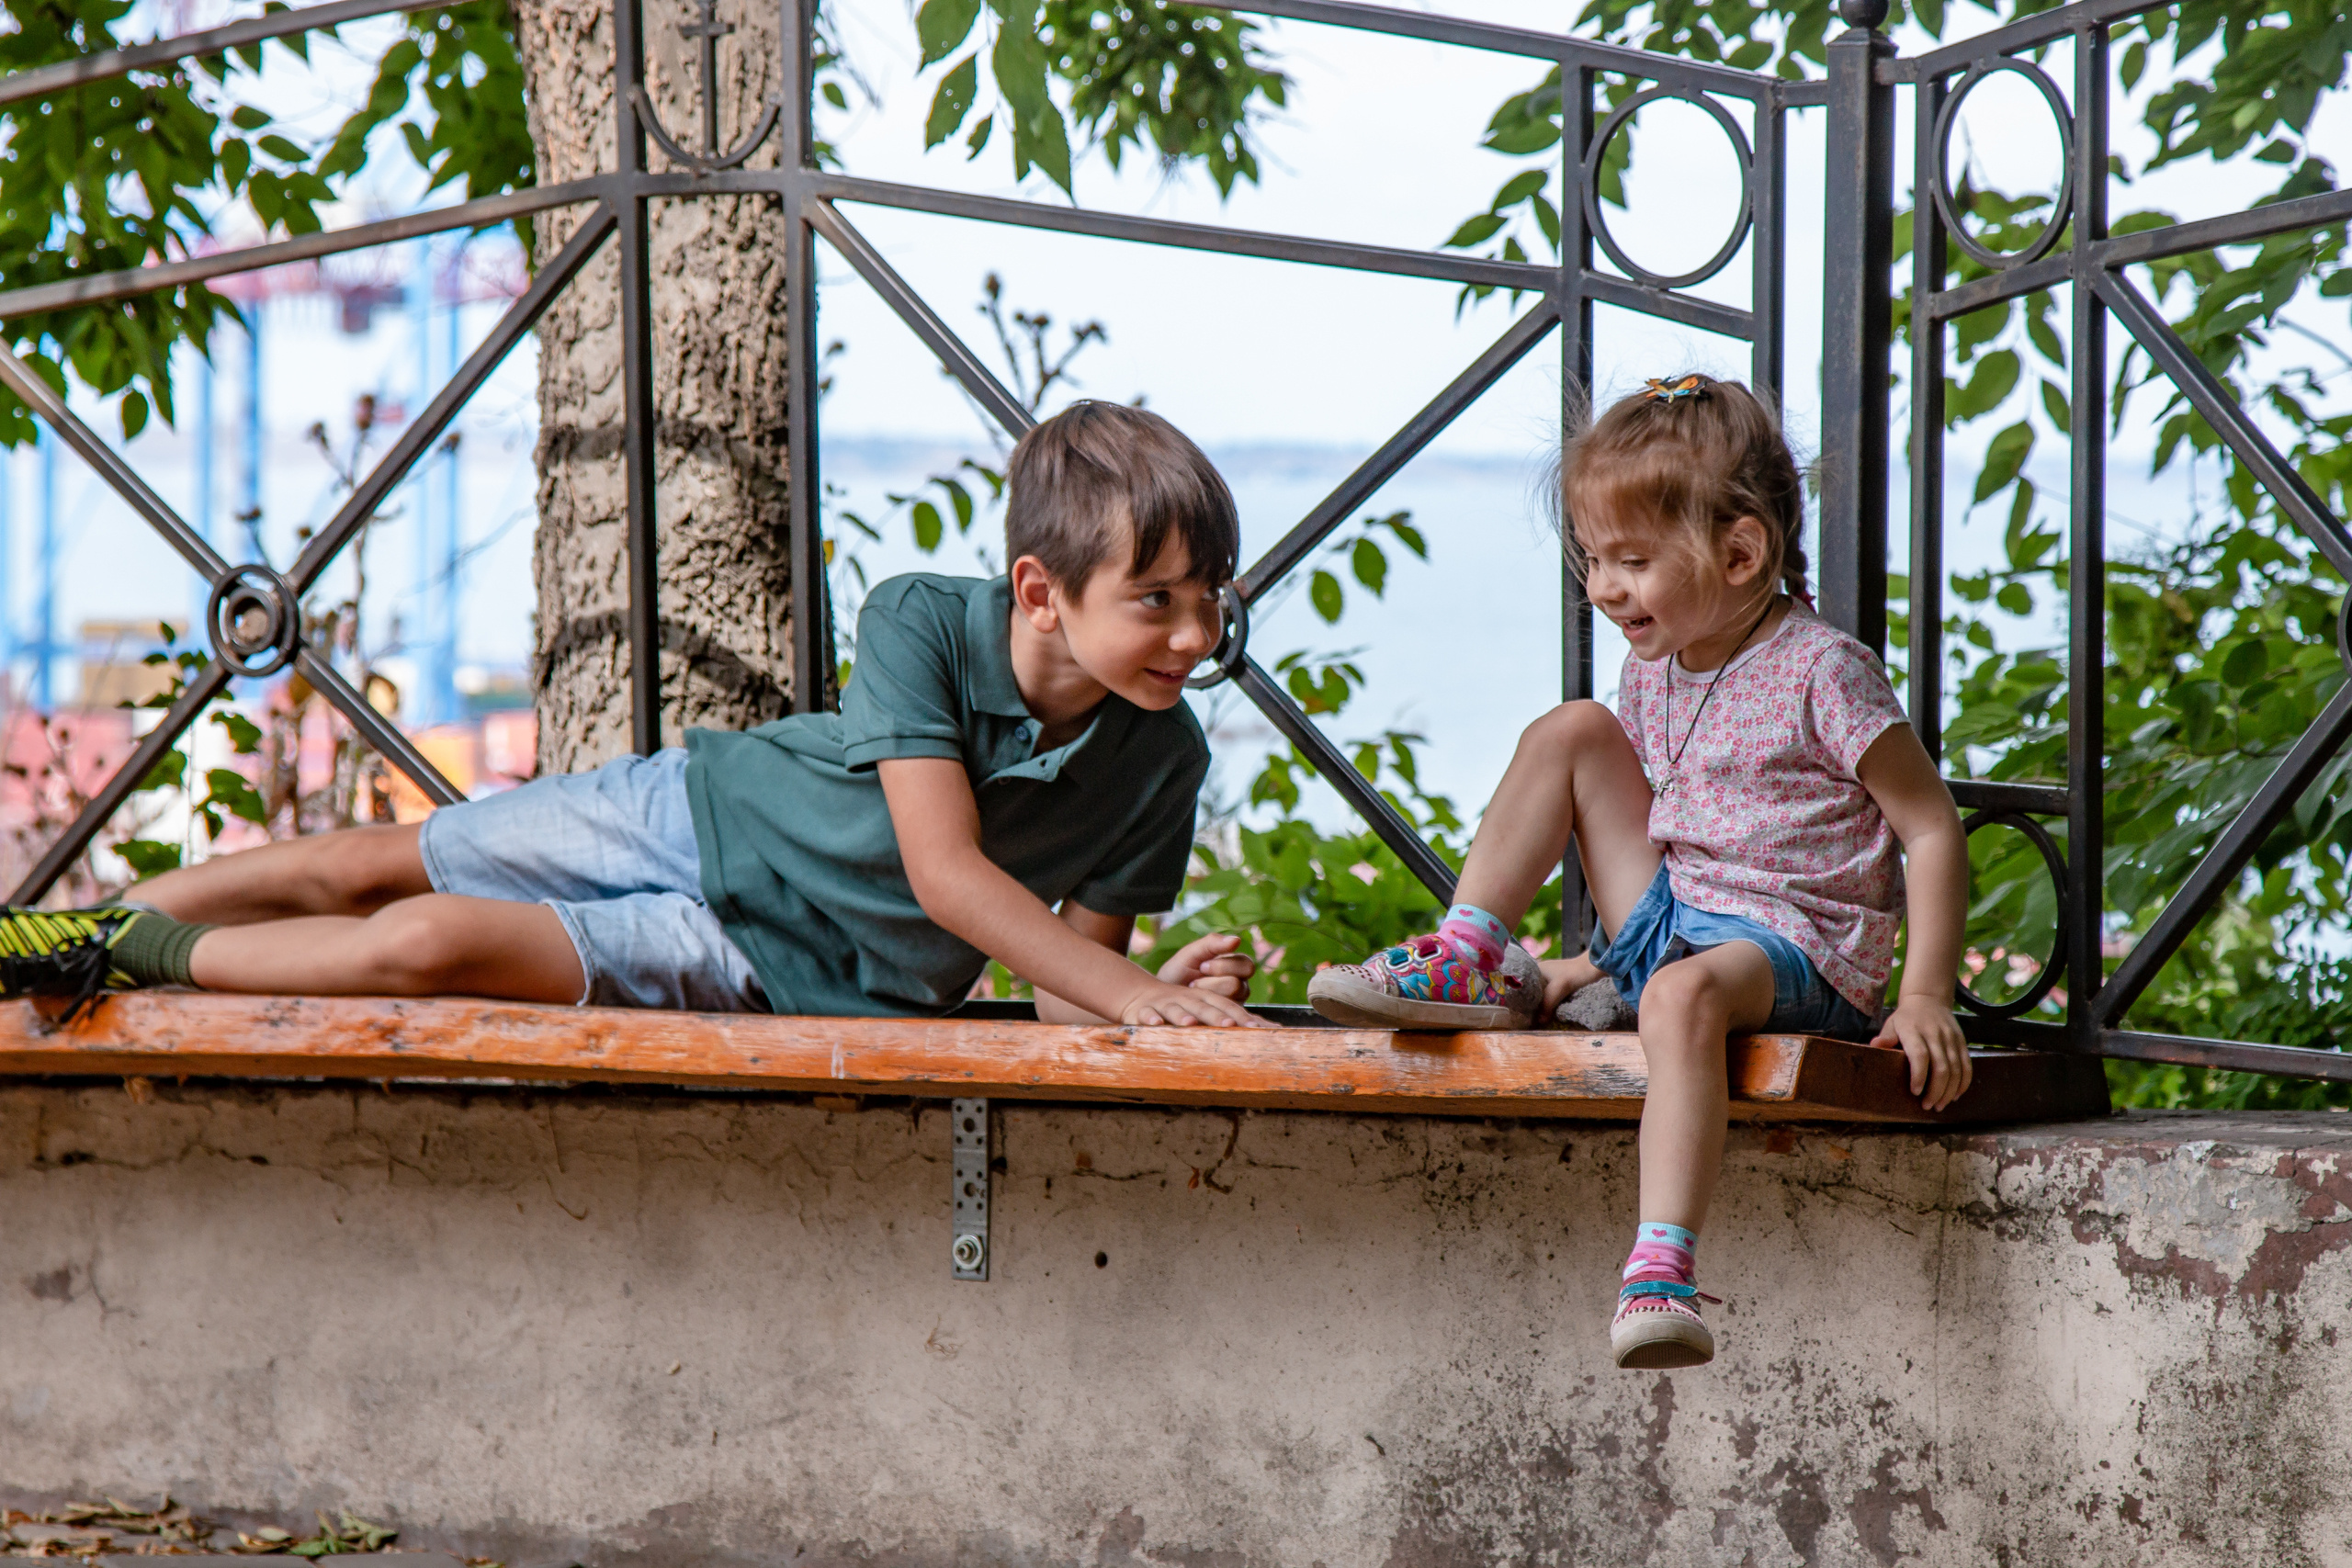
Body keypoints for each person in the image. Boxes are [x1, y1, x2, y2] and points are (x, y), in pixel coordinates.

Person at [0, 401, 1265, 1030]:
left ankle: (135, 950)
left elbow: (1058, 994)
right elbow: (946, 874)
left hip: (781, 970)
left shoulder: (1163, 758)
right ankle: (81, 929)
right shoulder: (924, 620)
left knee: (425, 942)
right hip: (698, 816)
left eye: (1208, 595)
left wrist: (1139, 988)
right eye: (1155, 600)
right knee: (365, 864)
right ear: (1040, 592)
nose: (1195, 634)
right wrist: (1126, 990)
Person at [1307, 373, 1970, 1370]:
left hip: (1794, 947)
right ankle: (1470, 952)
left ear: (1741, 554)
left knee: (1679, 996)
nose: (1601, 588)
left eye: (1632, 560)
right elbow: (1678, 825)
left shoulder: (1823, 671)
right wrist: (1605, 953)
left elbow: (1931, 827)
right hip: (1680, 920)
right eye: (1591, 558)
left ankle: (1661, 1272)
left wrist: (1922, 996)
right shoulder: (1651, 667)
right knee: (1571, 729)